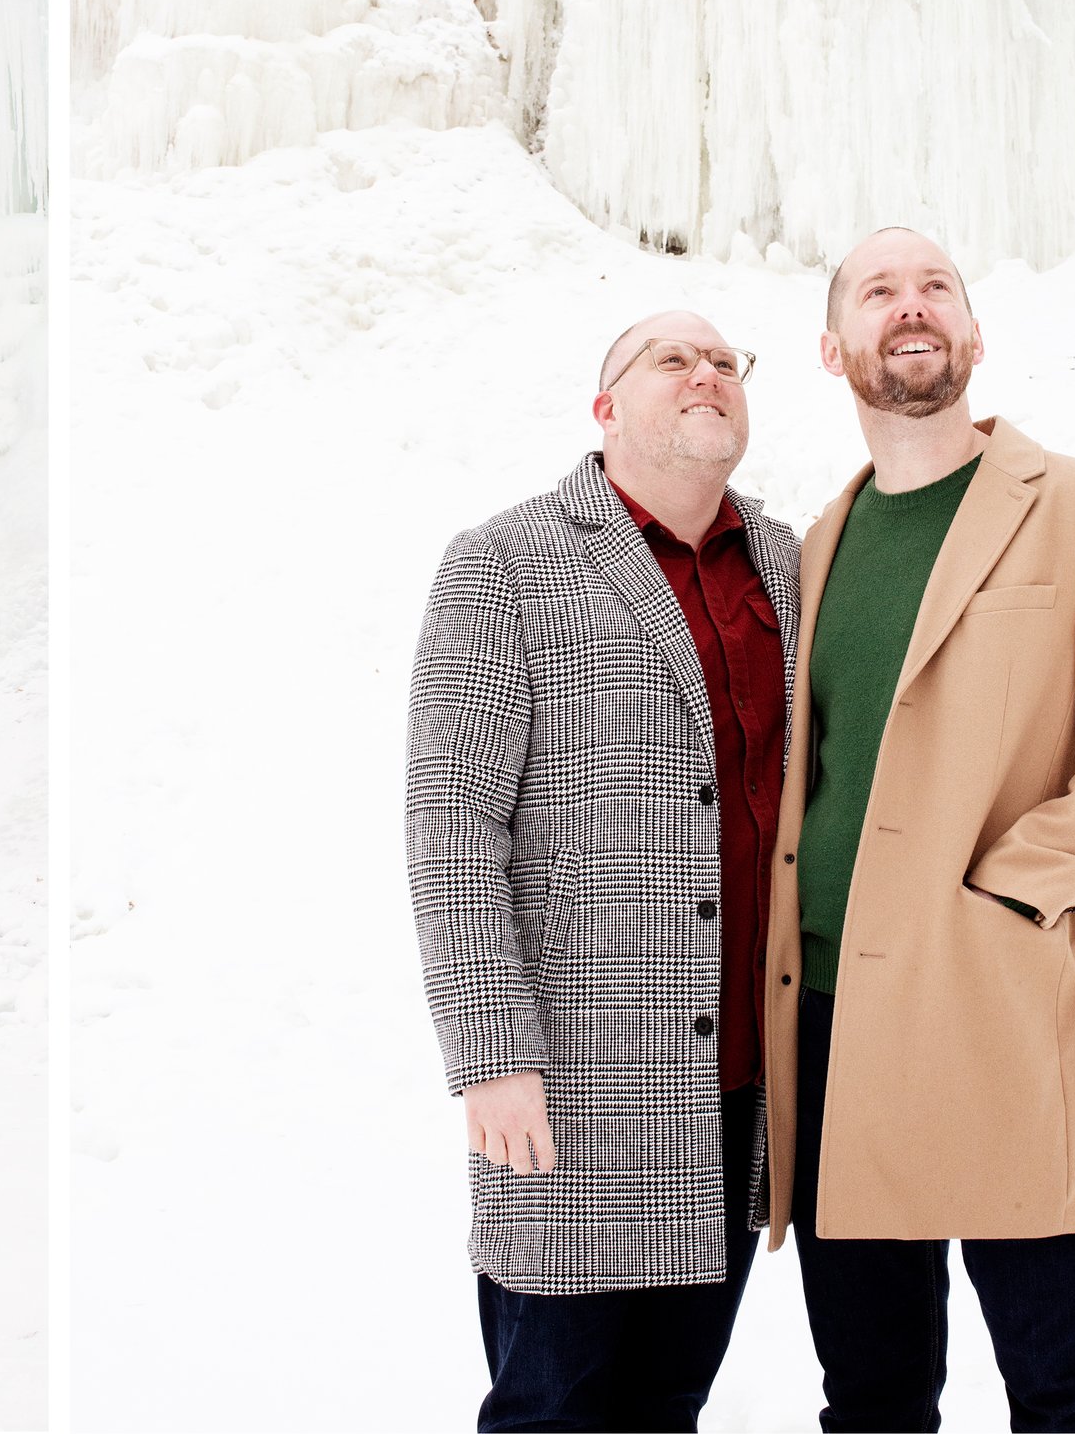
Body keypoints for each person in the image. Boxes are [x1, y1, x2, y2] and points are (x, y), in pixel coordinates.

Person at [766, 227, 1075, 1432]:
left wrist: (1015, 887)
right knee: (870, 1390)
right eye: (877, 291)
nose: (908, 308)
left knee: (1064, 1382)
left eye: (935, 288)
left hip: (996, 991)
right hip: (830, 1018)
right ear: (833, 346)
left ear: (973, 333)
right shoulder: (815, 545)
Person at [408, 312, 799, 1431]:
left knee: (667, 1402)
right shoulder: (504, 561)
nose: (707, 372)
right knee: (551, 1406)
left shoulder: (787, 563)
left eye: (725, 360)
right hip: (571, 1090)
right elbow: (451, 823)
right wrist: (490, 1053)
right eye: (672, 358)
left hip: (733, 1087)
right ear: (604, 407)